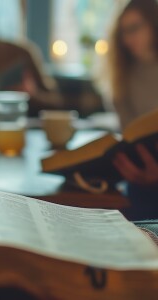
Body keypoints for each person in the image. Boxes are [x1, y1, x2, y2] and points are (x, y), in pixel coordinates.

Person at [107, 0, 158, 220]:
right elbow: (130, 133)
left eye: (135, 28)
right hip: (142, 173)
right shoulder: (122, 77)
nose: (127, 39)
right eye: (123, 32)